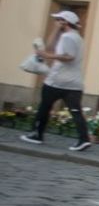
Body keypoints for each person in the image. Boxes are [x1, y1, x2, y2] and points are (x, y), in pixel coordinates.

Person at [20, 11, 92, 152]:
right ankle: (84, 139)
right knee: (76, 111)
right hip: (74, 83)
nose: (56, 21)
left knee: (44, 107)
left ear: (65, 22)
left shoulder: (68, 37)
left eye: (58, 19)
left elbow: (69, 56)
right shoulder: (74, 37)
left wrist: (46, 56)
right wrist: (55, 29)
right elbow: (50, 46)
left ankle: (37, 135)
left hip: (58, 80)